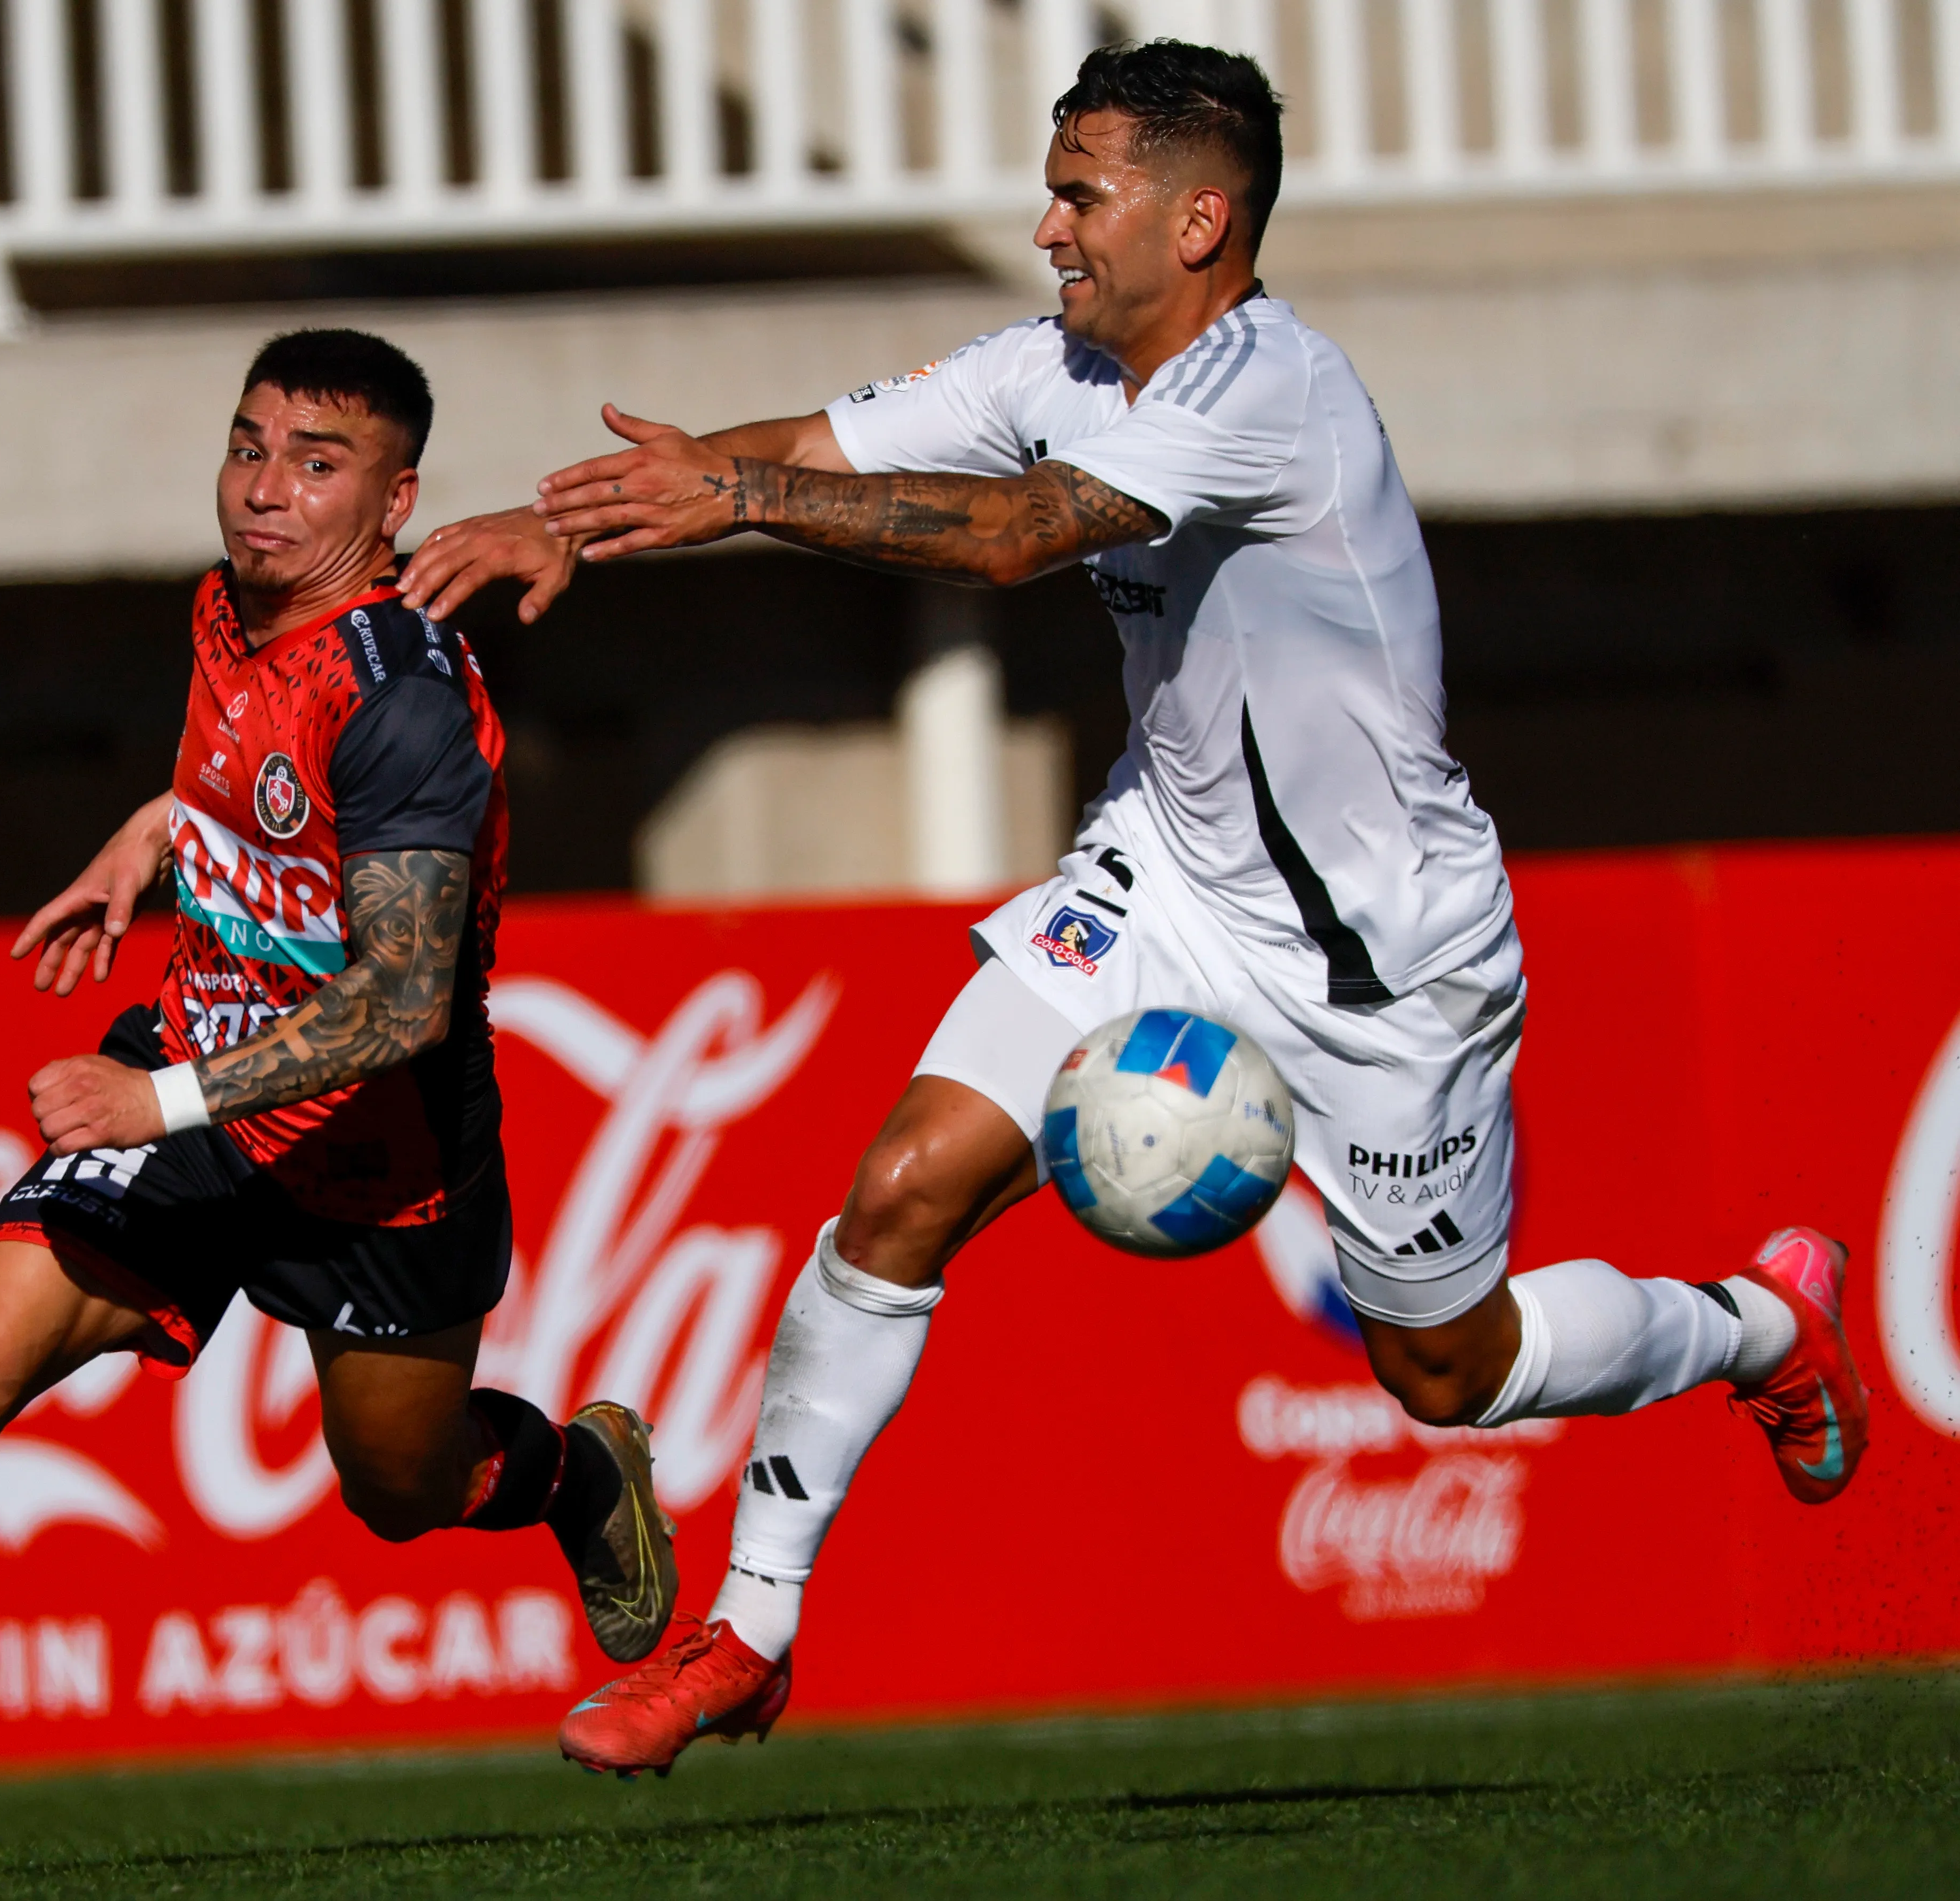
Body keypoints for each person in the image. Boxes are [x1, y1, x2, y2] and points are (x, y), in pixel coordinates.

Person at [399, 41, 1869, 1778]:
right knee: (900, 1188)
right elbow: (812, 441)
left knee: (1446, 1373)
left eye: (1079, 195)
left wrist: (749, 498)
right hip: (1158, 879)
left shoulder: (1275, 392)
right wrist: (590, 513)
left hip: (1378, 963)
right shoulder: (1058, 360)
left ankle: (1765, 1325)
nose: (1045, 227)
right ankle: (751, 1632)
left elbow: (1020, 537)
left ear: (1201, 217)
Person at [0, 329, 678, 1855]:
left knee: (400, 1485)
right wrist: (147, 840)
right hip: (193, 1093)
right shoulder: (227, 611)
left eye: (317, 463)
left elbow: (400, 998)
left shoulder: (410, 697)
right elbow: (245, 782)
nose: (263, 492)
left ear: (398, 497)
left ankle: (572, 1477)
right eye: (249, 446)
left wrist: (154, 1105)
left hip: (380, 1161)